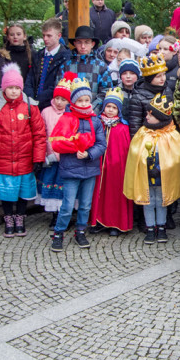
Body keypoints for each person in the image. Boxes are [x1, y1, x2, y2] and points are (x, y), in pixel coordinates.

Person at [0, 63, 47, 238]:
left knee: (23, 192)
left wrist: (38, 158)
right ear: (4, 88)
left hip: (25, 159)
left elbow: (39, 134)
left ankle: (20, 218)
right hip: (2, 159)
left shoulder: (30, 107)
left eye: (17, 87)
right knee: (7, 191)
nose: (14, 91)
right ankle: (8, 218)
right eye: (10, 88)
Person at [48, 77, 107, 252]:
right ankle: (58, 233)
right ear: (73, 101)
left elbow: (101, 144)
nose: (83, 103)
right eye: (79, 100)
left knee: (85, 205)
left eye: (86, 100)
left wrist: (89, 153)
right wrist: (76, 147)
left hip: (90, 169)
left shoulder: (95, 121)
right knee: (67, 205)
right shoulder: (67, 118)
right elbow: (57, 142)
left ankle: (80, 231)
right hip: (71, 169)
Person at [123, 94, 180, 243]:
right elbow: (135, 153)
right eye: (147, 113)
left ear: (160, 117)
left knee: (161, 200)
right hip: (146, 176)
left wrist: (162, 168)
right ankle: (150, 228)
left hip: (162, 177)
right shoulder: (142, 133)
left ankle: (161, 227)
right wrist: (144, 165)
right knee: (148, 201)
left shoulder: (171, 135)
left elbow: (176, 158)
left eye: (150, 114)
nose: (147, 116)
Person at [88, 89, 133, 237]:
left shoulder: (123, 128)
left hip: (116, 169)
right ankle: (97, 221)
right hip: (99, 166)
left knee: (115, 195)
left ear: (118, 110)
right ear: (104, 107)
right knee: (98, 194)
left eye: (114, 108)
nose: (110, 110)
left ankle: (116, 223)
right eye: (108, 107)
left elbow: (125, 150)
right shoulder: (98, 124)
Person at [37, 76, 70, 224]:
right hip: (50, 156)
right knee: (51, 183)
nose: (59, 102)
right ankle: (53, 215)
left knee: (64, 186)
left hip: (65, 158)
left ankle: (64, 214)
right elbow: (42, 133)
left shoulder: (70, 114)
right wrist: (44, 153)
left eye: (63, 99)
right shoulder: (45, 112)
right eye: (57, 98)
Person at [62, 25, 113, 112]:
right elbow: (61, 91)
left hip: (93, 114)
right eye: (79, 42)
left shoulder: (101, 67)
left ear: (92, 44)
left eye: (86, 42)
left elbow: (106, 91)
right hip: (70, 114)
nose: (82, 46)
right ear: (74, 43)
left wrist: (92, 108)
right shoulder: (66, 66)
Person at [25, 18, 72, 110]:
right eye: (43, 35)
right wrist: (30, 99)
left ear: (59, 36)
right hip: (32, 104)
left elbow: (58, 83)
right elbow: (30, 79)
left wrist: (38, 101)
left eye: (49, 36)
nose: (45, 39)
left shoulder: (66, 57)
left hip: (52, 106)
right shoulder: (38, 55)